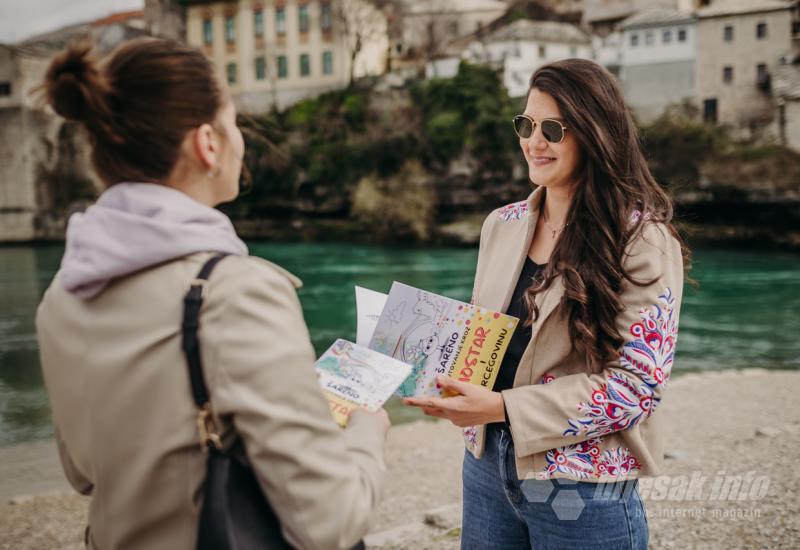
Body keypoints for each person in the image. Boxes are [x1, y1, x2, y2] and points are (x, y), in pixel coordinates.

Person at [36, 38, 389, 550]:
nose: (240, 140)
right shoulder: (237, 292)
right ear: (208, 143)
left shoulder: (61, 298)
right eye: (234, 123)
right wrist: (366, 432)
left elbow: (85, 473)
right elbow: (329, 522)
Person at [404, 59, 688, 549]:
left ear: (595, 134)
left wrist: (501, 407)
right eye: (526, 124)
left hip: (586, 481)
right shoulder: (501, 223)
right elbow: (485, 337)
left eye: (553, 129)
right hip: (487, 466)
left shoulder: (643, 241)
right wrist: (417, 361)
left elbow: (638, 387)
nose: (534, 141)